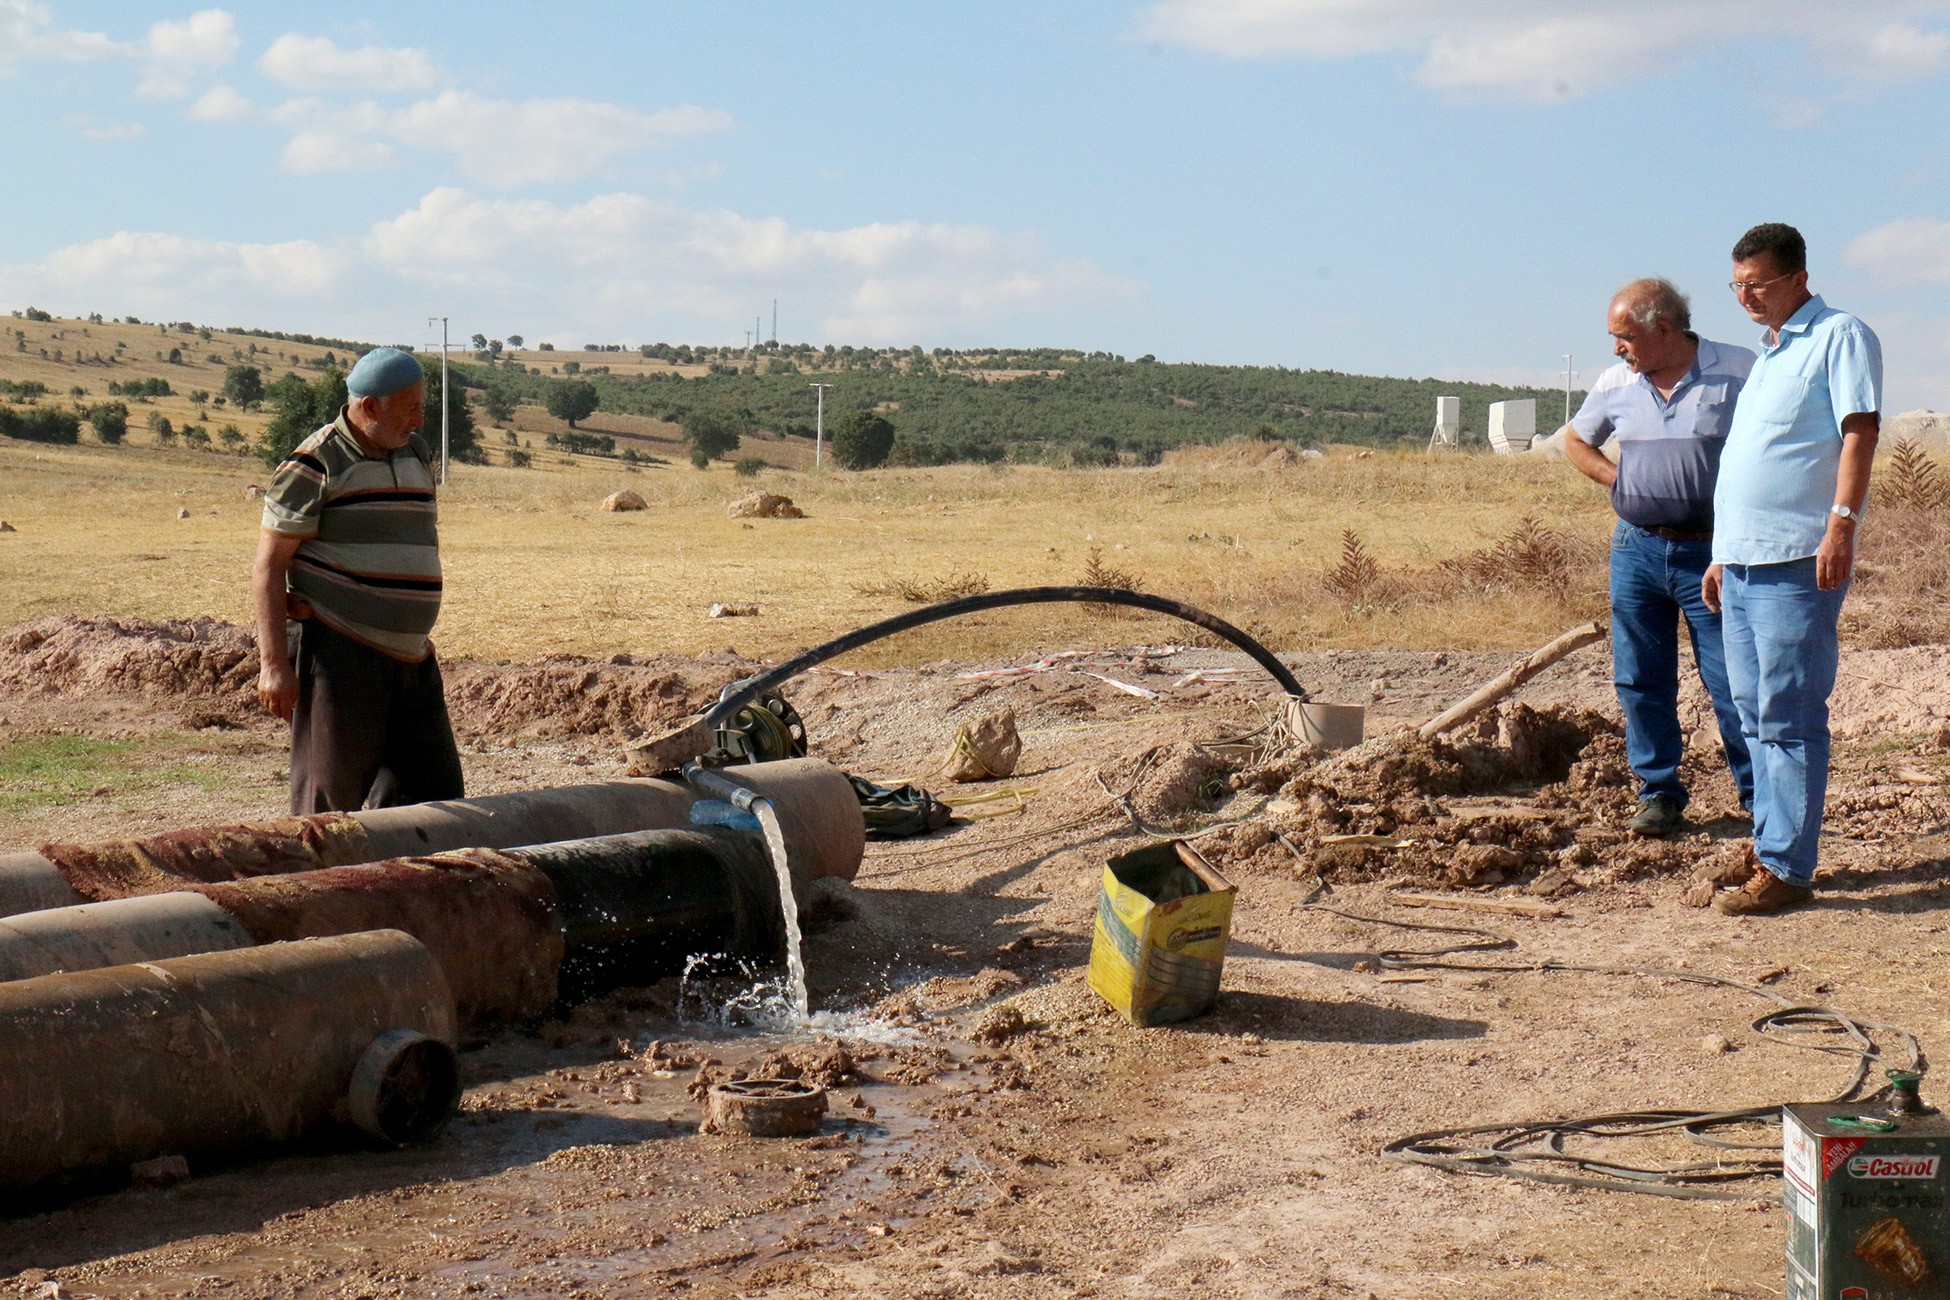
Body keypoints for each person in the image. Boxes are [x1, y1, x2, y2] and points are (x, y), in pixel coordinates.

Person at [1704, 223, 1881, 916]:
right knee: (1752, 712)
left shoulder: (1840, 335)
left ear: (1797, 279)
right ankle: (1771, 839)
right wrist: (1722, 551)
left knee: (1789, 711)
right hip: (1744, 562)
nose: (1746, 297)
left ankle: (1787, 868)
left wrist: (1842, 523)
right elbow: (1755, 461)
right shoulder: (1771, 353)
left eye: (1759, 284)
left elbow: (1859, 431)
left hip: (1795, 558)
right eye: (1738, 286)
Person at [1561, 278, 1755, 837]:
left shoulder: (1740, 369)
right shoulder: (1615, 382)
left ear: (1662, 330)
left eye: (1623, 337)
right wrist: (1619, 481)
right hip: (1637, 551)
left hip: (1714, 555)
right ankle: (1659, 794)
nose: (1617, 349)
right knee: (1641, 679)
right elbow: (1576, 440)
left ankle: (1758, 799)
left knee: (1732, 679)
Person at [252, 346, 464, 813]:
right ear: (369, 407)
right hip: (339, 653)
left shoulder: (416, 452)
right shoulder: (312, 464)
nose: (420, 420)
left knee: (434, 803)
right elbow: (269, 568)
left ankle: (406, 888)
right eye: (410, 409)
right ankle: (319, 886)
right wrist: (273, 666)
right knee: (329, 805)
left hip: (412, 659)